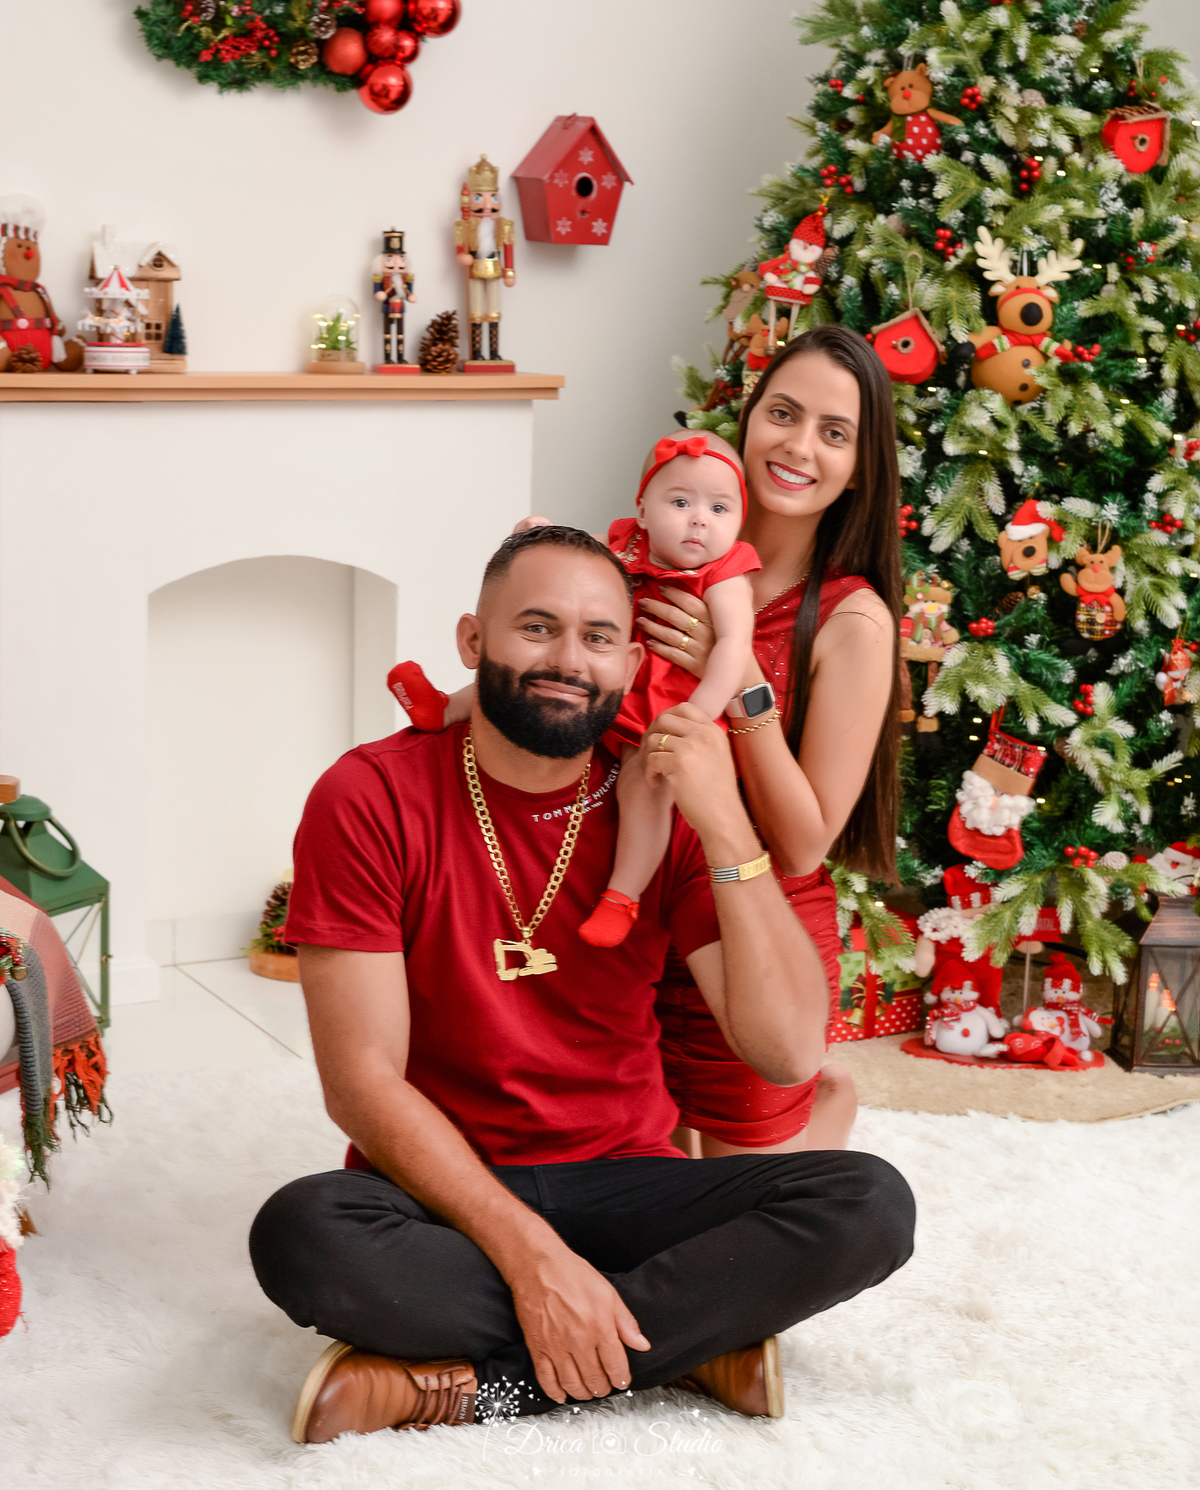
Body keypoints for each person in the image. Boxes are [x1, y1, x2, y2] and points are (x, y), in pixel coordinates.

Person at [249, 524, 914, 1445]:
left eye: (599, 637)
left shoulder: (658, 800)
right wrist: (532, 1262)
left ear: (632, 663)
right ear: (473, 643)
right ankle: (682, 1343)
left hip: (625, 1184)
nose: (569, 659)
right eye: (537, 627)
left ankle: (476, 1389)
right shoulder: (369, 796)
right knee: (305, 1231)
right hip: (447, 1197)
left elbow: (790, 1049)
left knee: (869, 1205)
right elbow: (361, 1085)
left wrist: (727, 829)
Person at [641, 327, 903, 1158]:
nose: (798, 446)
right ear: (748, 422)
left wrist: (744, 677)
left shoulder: (854, 622)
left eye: (834, 432)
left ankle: (823, 1106)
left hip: (758, 922)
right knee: (627, 1195)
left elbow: (802, 845)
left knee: (727, 1231)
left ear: (861, 466)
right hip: (636, 914)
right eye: (782, 414)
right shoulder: (667, 553)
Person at [389, 429, 761, 949]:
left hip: (667, 703)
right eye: (680, 501)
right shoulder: (628, 543)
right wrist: (541, 533)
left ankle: (622, 895)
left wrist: (695, 717)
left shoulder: (726, 573)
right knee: (526, 678)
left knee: (644, 784)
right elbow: (576, 570)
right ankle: (440, 708)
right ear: (643, 508)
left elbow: (733, 648)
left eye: (720, 508)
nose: (700, 519)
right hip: (604, 672)